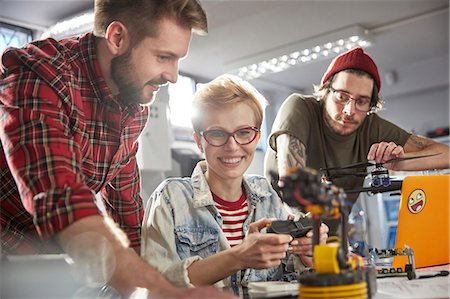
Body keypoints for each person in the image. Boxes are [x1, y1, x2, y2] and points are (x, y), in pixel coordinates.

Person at [0, 1, 235, 298]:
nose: (174, 76)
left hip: (46, 255)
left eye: (178, 60)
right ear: (117, 38)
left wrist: (151, 281)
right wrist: (163, 291)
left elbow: (126, 210)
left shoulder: (133, 107)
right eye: (164, 57)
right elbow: (61, 198)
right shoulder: (42, 74)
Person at [141, 74, 329, 288]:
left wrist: (306, 254)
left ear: (257, 137)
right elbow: (155, 285)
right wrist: (238, 257)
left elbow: (289, 272)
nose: (232, 146)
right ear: (199, 142)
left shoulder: (267, 195)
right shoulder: (170, 198)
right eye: (217, 133)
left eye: (243, 132)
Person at [264, 47, 450, 234]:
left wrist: (400, 163)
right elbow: (292, 184)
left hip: (332, 246)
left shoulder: (370, 126)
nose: (349, 111)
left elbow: (446, 155)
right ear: (327, 91)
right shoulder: (300, 108)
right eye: (342, 97)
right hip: (282, 238)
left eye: (361, 102)